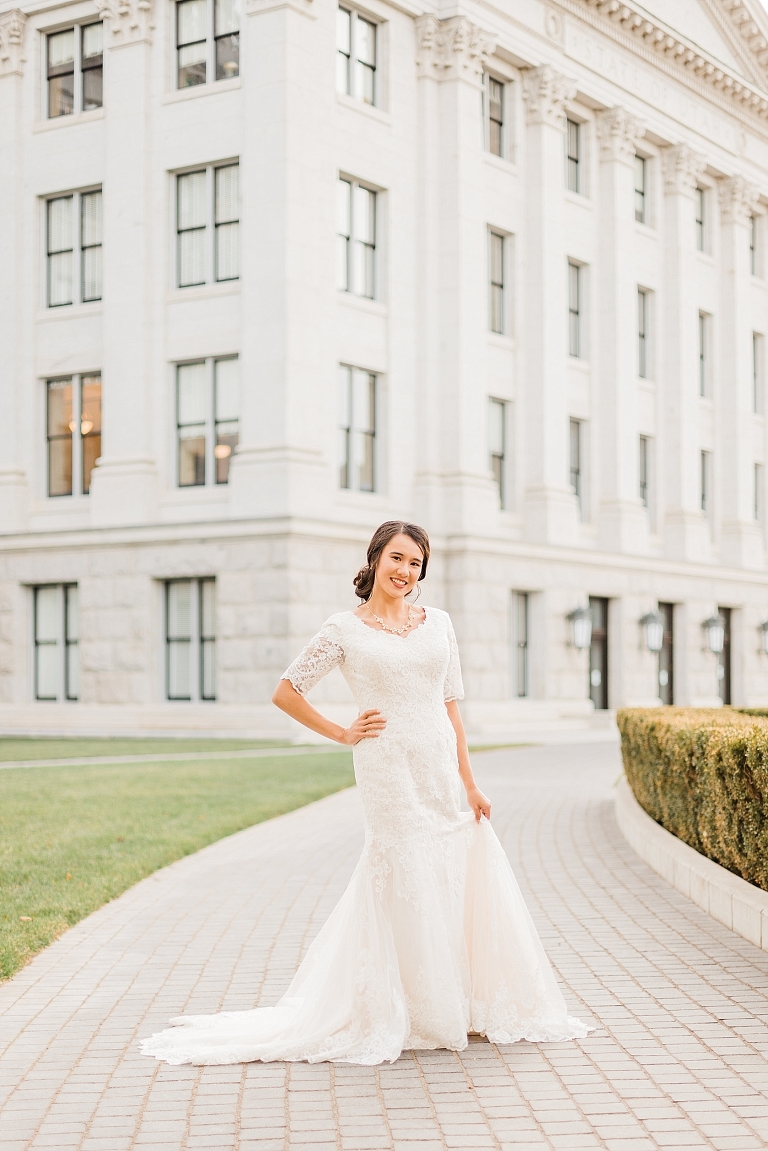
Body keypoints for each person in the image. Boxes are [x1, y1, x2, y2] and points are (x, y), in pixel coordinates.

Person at [141, 520, 590, 1065]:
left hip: (440, 768)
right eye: (397, 559)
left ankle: (464, 1001)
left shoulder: (439, 624)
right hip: (387, 770)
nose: (405, 571)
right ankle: (418, 1009)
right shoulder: (343, 629)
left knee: (454, 869)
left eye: (416, 564)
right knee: (406, 872)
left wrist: (470, 781)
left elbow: (452, 708)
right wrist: (343, 732)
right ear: (376, 558)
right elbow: (286, 691)